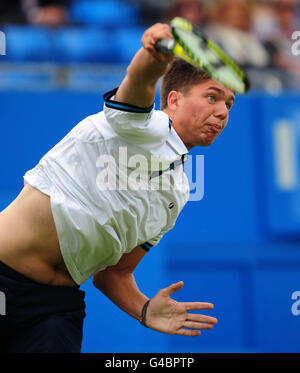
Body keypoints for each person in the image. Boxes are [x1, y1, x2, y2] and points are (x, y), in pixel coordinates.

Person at [0, 22, 236, 353]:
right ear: (174, 99)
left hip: (53, 308)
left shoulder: (178, 192)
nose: (223, 111)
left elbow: (115, 273)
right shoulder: (140, 126)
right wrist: (153, 53)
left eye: (229, 104)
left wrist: (143, 308)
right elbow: (139, 81)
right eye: (212, 97)